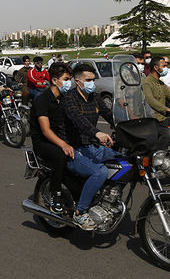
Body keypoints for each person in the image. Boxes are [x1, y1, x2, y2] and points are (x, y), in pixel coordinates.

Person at [60, 63, 118, 230]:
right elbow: (78, 120)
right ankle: (80, 212)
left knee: (122, 161)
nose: (92, 83)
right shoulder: (69, 99)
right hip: (73, 148)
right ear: (78, 81)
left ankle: (109, 197)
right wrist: (97, 133)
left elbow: (109, 114)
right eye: (89, 80)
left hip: (91, 146)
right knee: (100, 171)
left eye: (94, 79)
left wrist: (127, 123)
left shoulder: (95, 97)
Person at [30, 62, 74, 213]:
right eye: (66, 79)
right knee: (61, 156)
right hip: (42, 142)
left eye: (70, 79)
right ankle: (56, 193)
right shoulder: (42, 100)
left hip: (60, 137)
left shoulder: (65, 97)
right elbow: (45, 130)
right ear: (55, 81)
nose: (69, 83)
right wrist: (64, 145)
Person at [141, 56, 170, 148]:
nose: (166, 68)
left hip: (162, 118)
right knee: (166, 135)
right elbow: (150, 100)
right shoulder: (146, 82)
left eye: (166, 65)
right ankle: (157, 158)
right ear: (156, 68)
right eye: (163, 66)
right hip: (152, 119)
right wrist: (167, 109)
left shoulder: (160, 83)